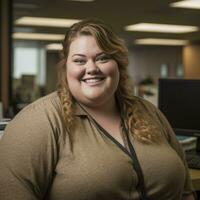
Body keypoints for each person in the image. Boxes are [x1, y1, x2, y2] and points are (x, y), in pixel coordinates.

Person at [0, 19, 195, 200]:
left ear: (118, 64)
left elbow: (185, 190)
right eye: (79, 60)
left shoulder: (148, 112)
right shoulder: (38, 121)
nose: (91, 68)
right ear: (66, 67)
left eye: (102, 58)